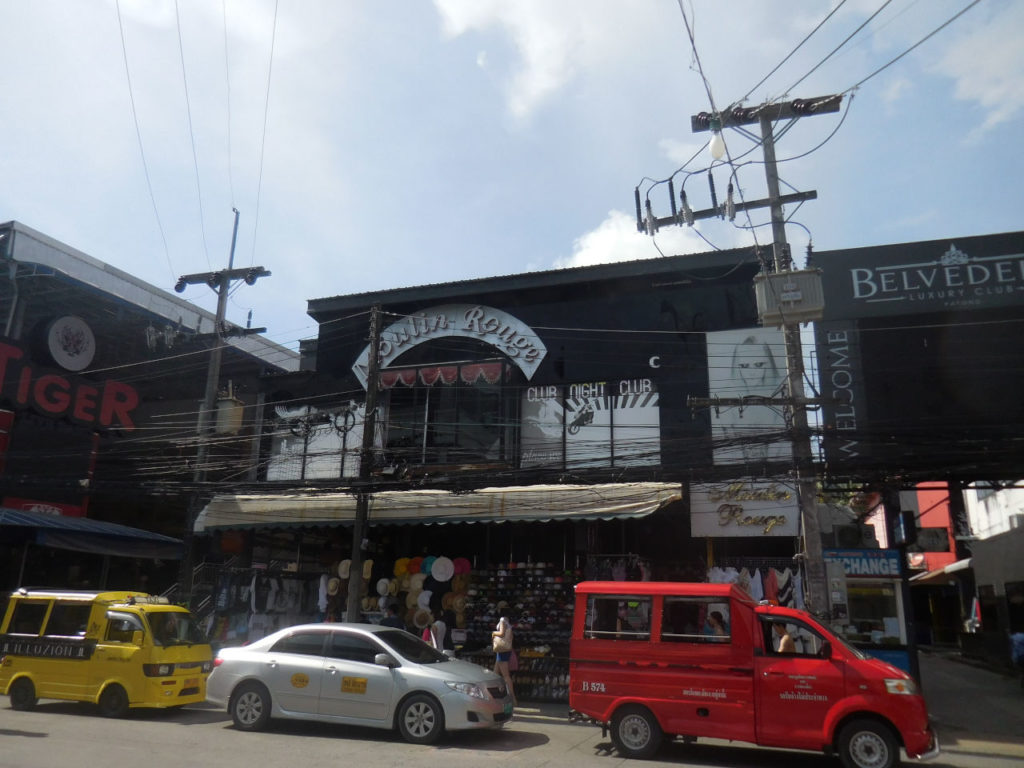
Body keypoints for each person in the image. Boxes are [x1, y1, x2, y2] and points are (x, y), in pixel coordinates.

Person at [492, 614, 517, 705]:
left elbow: (501, 633)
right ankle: (494, 696)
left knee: (506, 676)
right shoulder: (507, 622)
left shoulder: (502, 620)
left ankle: (513, 698)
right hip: (504, 650)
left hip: (502, 651)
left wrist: (494, 633)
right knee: (495, 674)